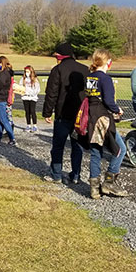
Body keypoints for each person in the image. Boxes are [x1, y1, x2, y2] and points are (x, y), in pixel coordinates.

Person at [42, 42, 89, 185]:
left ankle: (56, 174)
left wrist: (47, 112)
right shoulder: (85, 69)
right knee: (77, 145)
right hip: (80, 115)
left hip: (63, 114)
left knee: (58, 145)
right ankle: (76, 175)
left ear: (60, 56)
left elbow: (51, 93)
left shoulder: (57, 70)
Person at [84, 49, 128, 199]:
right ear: (107, 62)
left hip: (91, 117)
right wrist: (118, 109)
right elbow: (109, 101)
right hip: (103, 119)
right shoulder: (105, 79)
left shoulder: (90, 77)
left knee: (96, 153)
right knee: (120, 149)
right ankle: (109, 183)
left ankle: (94, 189)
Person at [21, 65, 40, 132]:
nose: (27, 73)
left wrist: (31, 93)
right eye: (26, 72)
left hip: (32, 98)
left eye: (28, 72)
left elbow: (37, 89)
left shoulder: (35, 79)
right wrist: (23, 92)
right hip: (25, 97)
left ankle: (34, 125)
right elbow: (21, 87)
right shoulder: (23, 79)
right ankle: (28, 125)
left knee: (32, 111)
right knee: (27, 112)